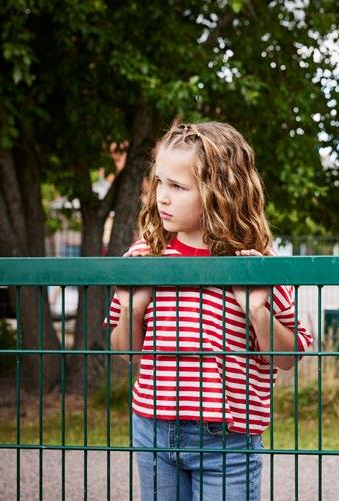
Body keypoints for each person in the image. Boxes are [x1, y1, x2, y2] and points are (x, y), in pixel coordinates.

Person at [107, 121, 312, 501]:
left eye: (178, 186)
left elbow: (287, 358)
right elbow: (126, 352)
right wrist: (132, 311)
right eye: (159, 182)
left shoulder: (255, 263)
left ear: (220, 192)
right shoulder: (144, 257)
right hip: (152, 430)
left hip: (228, 440)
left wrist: (257, 311)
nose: (161, 197)